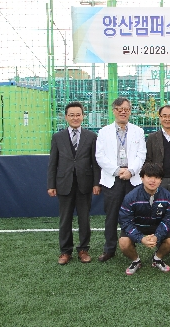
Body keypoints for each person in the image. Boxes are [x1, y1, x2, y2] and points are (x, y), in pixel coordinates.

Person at [47, 102, 101, 265]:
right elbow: (53, 163)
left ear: (83, 116)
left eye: (78, 114)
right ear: (66, 117)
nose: (75, 118)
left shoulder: (91, 137)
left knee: (84, 219)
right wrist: (51, 185)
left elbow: (95, 163)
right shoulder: (58, 137)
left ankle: (83, 249)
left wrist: (96, 183)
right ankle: (65, 251)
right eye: (71, 115)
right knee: (65, 219)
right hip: (64, 183)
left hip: (85, 184)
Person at [95, 97, 147, 262]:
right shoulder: (103, 132)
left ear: (130, 111)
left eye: (126, 109)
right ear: (114, 111)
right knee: (111, 216)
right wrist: (117, 171)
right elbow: (100, 156)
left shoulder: (138, 131)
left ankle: (130, 246)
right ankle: (109, 249)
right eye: (119, 109)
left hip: (132, 179)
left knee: (133, 215)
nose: (123, 112)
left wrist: (131, 171)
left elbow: (141, 155)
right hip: (113, 179)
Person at [118, 162, 170, 274]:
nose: (152, 180)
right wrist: (140, 238)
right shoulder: (131, 197)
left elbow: (169, 219)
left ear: (161, 180)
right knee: (123, 242)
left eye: (156, 177)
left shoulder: (168, 196)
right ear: (142, 178)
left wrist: (157, 236)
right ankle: (136, 261)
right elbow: (125, 221)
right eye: (149, 176)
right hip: (138, 226)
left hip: (157, 226)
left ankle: (157, 258)